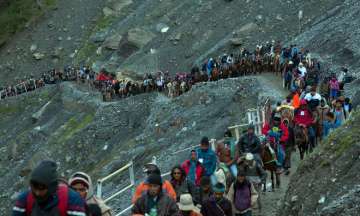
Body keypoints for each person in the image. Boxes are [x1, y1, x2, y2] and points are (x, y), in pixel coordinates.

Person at [12, 160, 86, 216]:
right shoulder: (25, 199)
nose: (37, 192)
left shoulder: (72, 201)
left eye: (42, 188)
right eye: (34, 187)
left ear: (51, 187)